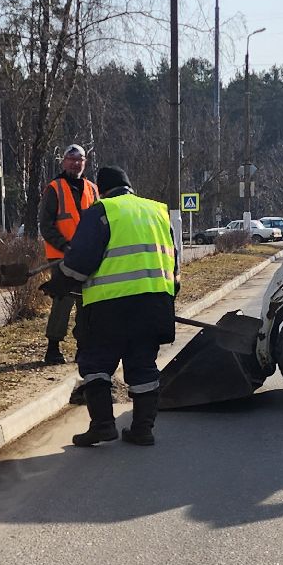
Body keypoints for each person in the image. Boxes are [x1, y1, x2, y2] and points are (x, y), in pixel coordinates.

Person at [55, 165, 177, 447]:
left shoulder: (102, 211)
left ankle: (102, 426)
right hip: (153, 304)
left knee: (96, 363)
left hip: (109, 308)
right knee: (143, 365)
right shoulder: (158, 212)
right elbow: (173, 262)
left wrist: (61, 281)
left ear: (101, 188)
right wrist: (168, 296)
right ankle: (143, 430)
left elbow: (80, 263)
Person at [38, 144, 98, 365]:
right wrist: (65, 246)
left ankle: (83, 348)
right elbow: (46, 225)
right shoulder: (54, 188)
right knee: (63, 300)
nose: (75, 163)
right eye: (71, 159)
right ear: (63, 162)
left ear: (85, 163)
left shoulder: (92, 189)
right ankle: (53, 348)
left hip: (87, 256)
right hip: (61, 257)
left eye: (80, 159)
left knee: (86, 302)